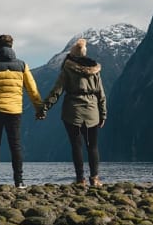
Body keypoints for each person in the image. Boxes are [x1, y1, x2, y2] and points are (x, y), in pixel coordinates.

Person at [0, 34, 43, 188]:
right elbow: (33, 90)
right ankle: (19, 181)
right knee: (16, 146)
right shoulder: (22, 65)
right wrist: (39, 108)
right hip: (14, 111)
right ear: (12, 46)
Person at [42, 38, 107, 188]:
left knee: (76, 146)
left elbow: (56, 91)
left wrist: (44, 108)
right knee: (93, 146)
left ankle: (80, 179)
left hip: (72, 111)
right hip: (92, 111)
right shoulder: (95, 71)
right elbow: (101, 94)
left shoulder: (67, 69)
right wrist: (103, 114)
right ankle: (95, 178)